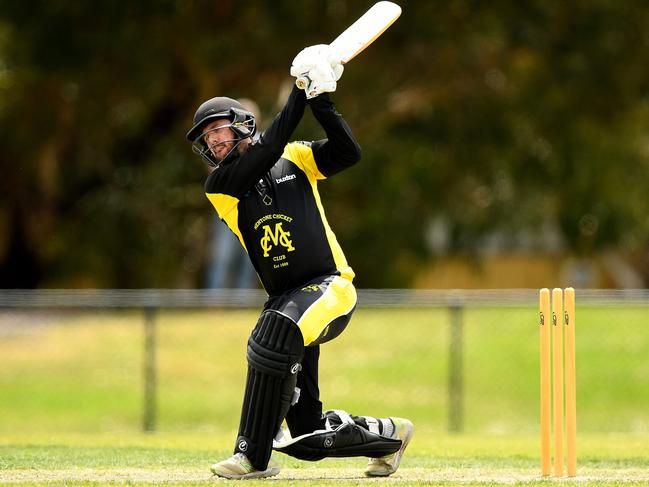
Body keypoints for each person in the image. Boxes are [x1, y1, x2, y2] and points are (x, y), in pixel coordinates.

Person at [186, 45, 414, 480]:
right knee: (308, 437)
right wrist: (301, 91)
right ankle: (391, 436)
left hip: (330, 287)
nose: (214, 140)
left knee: (276, 328)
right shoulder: (221, 186)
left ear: (241, 125)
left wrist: (323, 99)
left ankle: (251, 457)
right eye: (206, 136)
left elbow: (348, 153)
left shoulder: (297, 157)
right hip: (288, 299)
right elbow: (266, 150)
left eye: (219, 129)